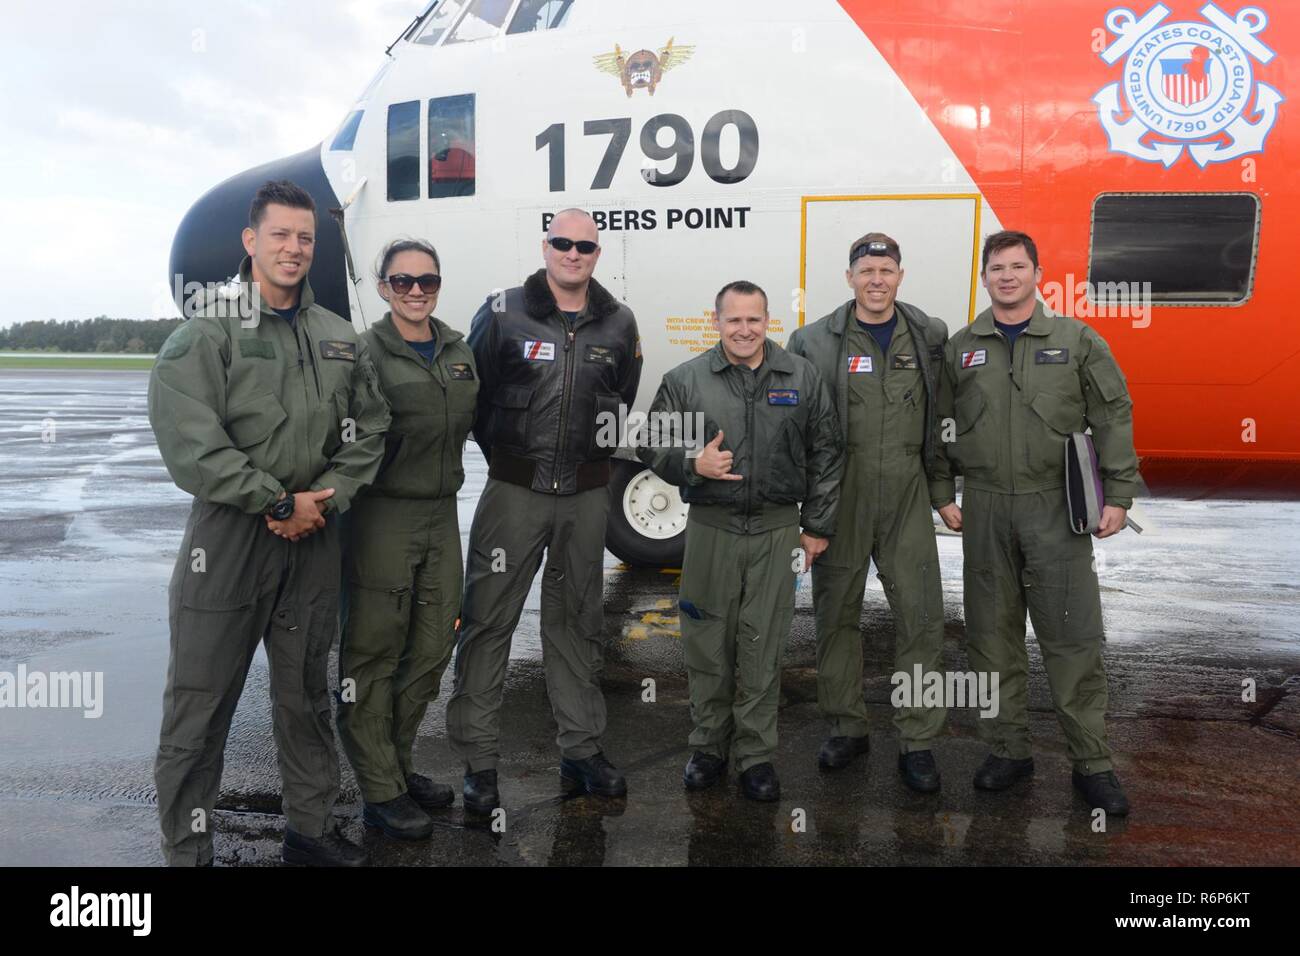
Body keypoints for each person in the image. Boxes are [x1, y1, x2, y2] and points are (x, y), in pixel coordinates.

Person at [148, 179, 390, 866]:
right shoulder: (208, 330)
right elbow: (191, 442)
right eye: (280, 235)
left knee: (307, 697)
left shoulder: (339, 337)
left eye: (305, 237)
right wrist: (275, 501)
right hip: (229, 542)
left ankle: (308, 834)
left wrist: (326, 498)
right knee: (199, 709)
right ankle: (187, 851)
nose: (294, 248)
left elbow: (370, 428)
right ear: (251, 242)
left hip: (314, 535)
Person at [938, 229, 1142, 815]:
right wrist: (940, 490)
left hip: (1056, 507)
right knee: (991, 637)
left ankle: (1093, 763)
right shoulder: (962, 348)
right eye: (997, 267)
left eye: (1018, 266)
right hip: (984, 507)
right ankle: (1008, 750)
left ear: (1037, 273)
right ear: (984, 278)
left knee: (1071, 637)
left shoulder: (1077, 340)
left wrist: (1120, 493)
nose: (1007, 276)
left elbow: (1112, 413)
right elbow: (941, 425)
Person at [446, 209, 642, 812]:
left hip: (586, 497)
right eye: (563, 242)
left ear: (596, 253)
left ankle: (581, 751)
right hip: (514, 495)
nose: (573, 253)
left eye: (585, 245)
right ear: (546, 245)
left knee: (579, 623)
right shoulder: (503, 311)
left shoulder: (619, 322)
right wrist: (512, 461)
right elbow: (471, 397)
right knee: (488, 622)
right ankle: (480, 764)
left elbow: (621, 399)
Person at [637, 280, 843, 801]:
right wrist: (692, 463)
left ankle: (755, 755)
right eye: (734, 320)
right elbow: (650, 442)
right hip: (712, 529)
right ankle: (708, 747)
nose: (744, 330)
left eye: (754, 320)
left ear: (768, 321)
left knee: (762, 644)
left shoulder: (800, 376)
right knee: (706, 643)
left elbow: (827, 452)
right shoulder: (687, 380)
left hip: (777, 530)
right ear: (717, 322)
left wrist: (817, 525)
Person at [788, 233, 956, 791]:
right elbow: (799, 430)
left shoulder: (929, 334)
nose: (876, 279)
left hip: (907, 490)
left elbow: (938, 424)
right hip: (843, 493)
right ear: (850, 277)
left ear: (900, 276)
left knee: (922, 617)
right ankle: (846, 726)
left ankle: (918, 739)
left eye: (886, 269)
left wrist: (942, 493)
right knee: (837, 616)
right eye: (866, 270)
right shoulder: (813, 341)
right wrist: (809, 510)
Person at [335, 239, 478, 840]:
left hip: (441, 514)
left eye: (427, 280)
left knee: (431, 646)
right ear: (382, 287)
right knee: (374, 651)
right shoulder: (363, 353)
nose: (416, 291)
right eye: (402, 281)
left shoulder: (458, 349)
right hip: (381, 516)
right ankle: (380, 789)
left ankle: (397, 763)